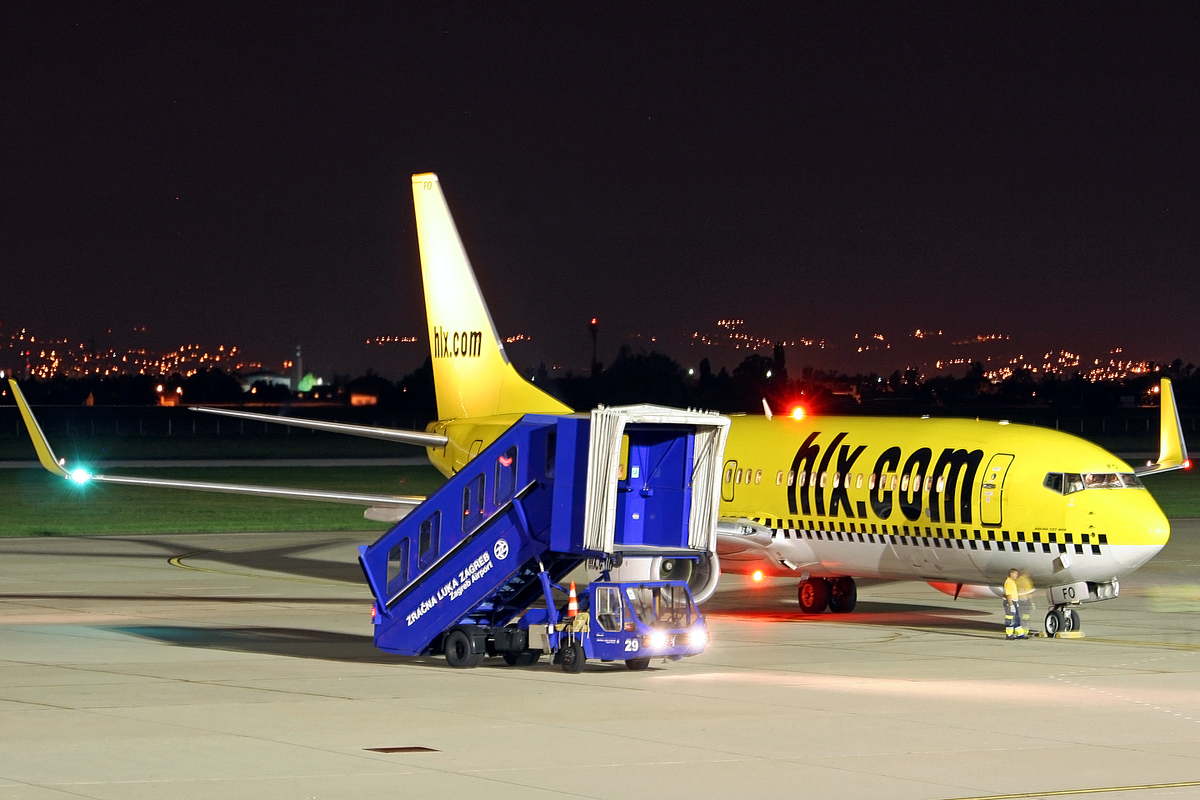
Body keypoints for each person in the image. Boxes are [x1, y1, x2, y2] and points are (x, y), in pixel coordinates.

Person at [1003, 569, 1027, 639]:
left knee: (1016, 618)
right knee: (1010, 618)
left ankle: (1020, 634)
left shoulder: (1012, 582)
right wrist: (1011, 605)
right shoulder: (1009, 583)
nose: (1017, 575)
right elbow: (1008, 595)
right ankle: (1009, 635)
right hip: (1010, 602)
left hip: (1014, 602)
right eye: (1015, 574)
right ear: (1011, 574)